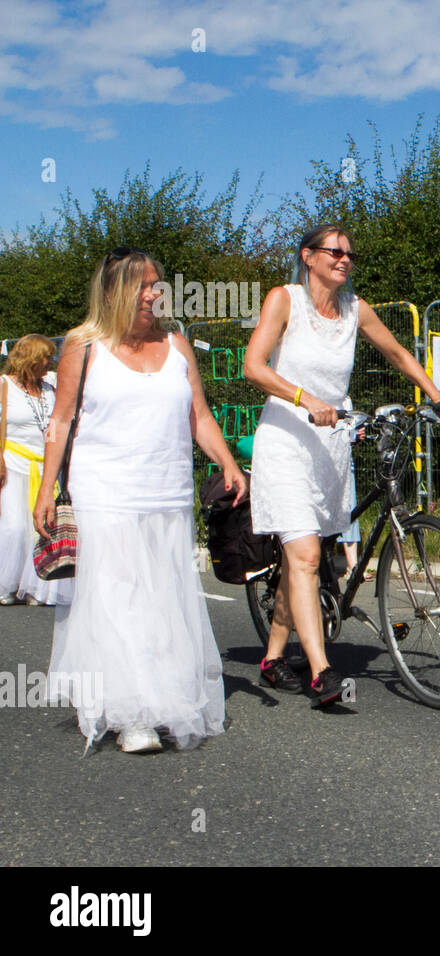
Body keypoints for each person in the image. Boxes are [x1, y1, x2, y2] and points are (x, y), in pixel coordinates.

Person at [34, 247, 245, 753]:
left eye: (158, 283)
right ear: (114, 291)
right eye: (145, 284)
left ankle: (165, 698)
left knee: (163, 598)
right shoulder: (83, 347)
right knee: (120, 598)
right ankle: (131, 714)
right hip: (104, 491)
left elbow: (199, 414)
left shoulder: (176, 341)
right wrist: (45, 489)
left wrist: (228, 461)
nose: (155, 293)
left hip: (167, 491)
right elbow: (60, 421)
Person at [243, 224, 440, 707]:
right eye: (334, 252)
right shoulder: (285, 299)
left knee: (305, 558)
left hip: (331, 446)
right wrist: (305, 398)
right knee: (306, 558)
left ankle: (273, 658)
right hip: (286, 441)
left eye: (349, 254)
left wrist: (433, 393)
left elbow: (398, 352)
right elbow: (253, 366)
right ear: (308, 256)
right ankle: (322, 673)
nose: (344, 259)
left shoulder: (355, 309)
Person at [1, 335, 72, 607]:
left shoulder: (51, 385)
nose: (49, 361)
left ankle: (37, 588)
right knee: (13, 526)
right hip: (13, 463)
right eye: (45, 356)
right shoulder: (4, 385)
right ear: (30, 358)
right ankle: (6, 583)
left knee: (41, 529)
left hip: (46, 466)